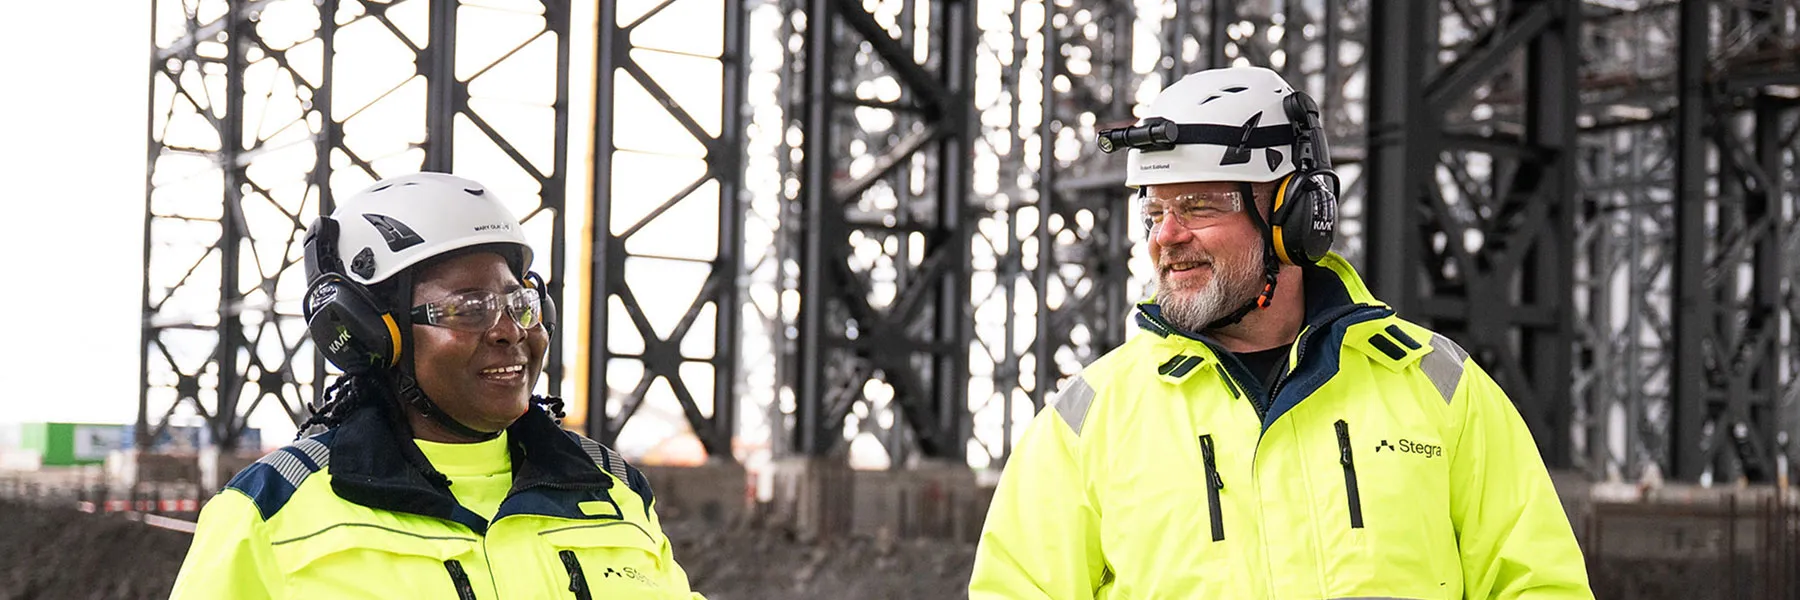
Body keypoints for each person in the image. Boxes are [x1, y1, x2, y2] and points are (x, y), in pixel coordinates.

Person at [968, 67, 1591, 598]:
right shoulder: (1091, 421)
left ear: (1293, 216)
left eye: (1201, 206)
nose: (1165, 237)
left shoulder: (1438, 389)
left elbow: (1538, 584)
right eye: (1154, 211)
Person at [171, 172, 702, 599]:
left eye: (519, 303)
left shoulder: (615, 492)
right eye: (467, 308)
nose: (508, 331)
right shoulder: (268, 515)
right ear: (370, 334)